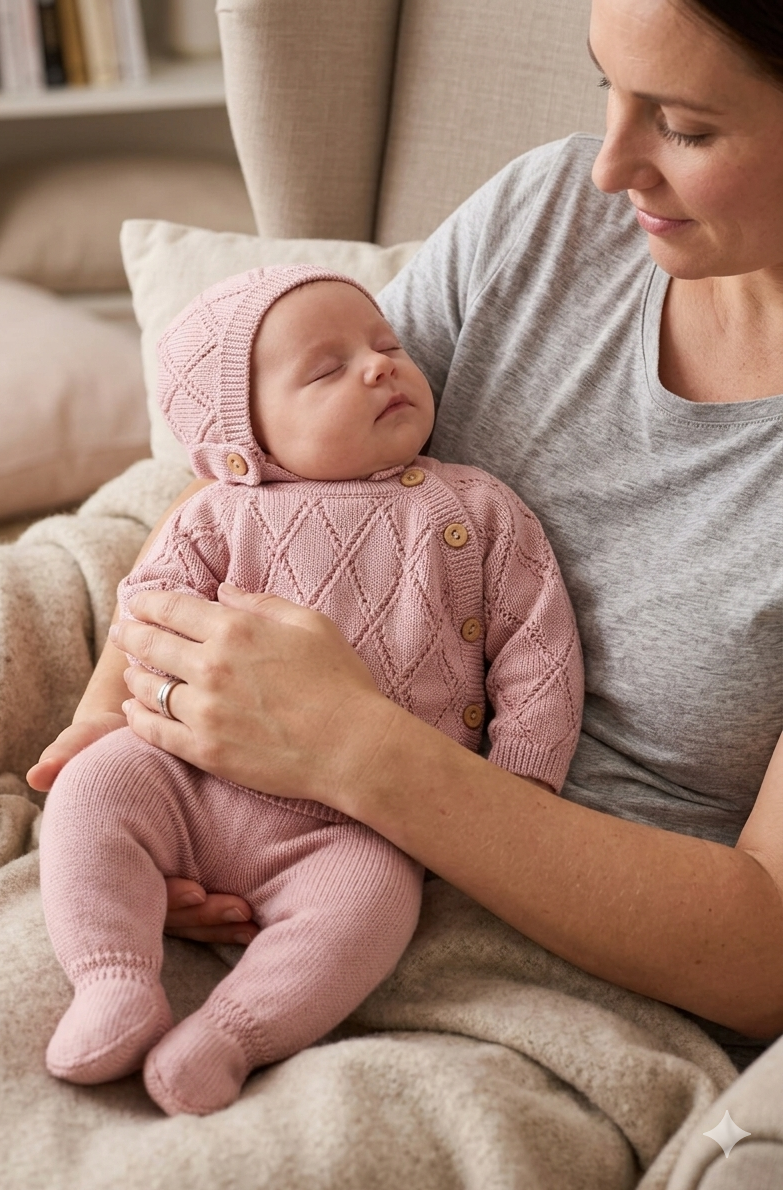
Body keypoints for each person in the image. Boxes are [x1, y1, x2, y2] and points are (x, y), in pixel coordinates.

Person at [30, 0, 783, 1076]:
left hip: (550, 991)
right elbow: (265, 466)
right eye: (603, 89)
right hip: (219, 862)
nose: (609, 168)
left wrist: (348, 749)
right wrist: (130, 731)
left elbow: (766, 951)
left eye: (685, 128)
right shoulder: (543, 219)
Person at [36, 265, 584, 1116]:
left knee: (374, 905)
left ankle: (232, 1033)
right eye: (327, 369)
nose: (378, 367)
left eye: (387, 346)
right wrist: (112, 717)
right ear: (240, 439)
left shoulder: (479, 512)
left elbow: (539, 649)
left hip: (357, 822)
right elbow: (144, 614)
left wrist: (519, 782)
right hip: (193, 777)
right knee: (90, 791)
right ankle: (111, 978)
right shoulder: (219, 513)